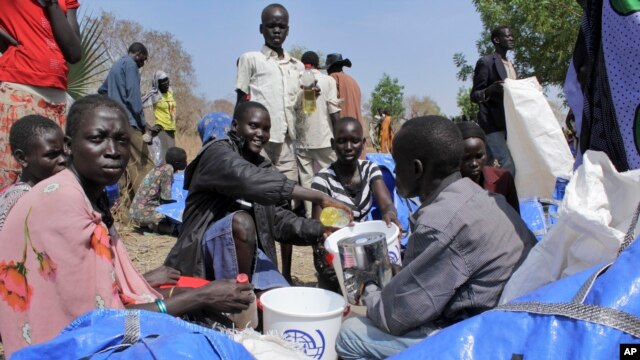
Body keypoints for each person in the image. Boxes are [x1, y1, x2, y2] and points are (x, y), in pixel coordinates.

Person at [0, 95, 254, 357]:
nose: (113, 150)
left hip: (88, 332)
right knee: (200, 347)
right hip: (64, 348)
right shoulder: (63, 203)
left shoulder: (84, 194)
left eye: (122, 140)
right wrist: (202, 297)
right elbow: (100, 323)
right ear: (69, 145)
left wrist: (192, 295)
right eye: (97, 138)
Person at [335, 116, 536, 359]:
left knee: (350, 334)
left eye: (398, 164)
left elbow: (395, 317)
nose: (395, 171)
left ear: (417, 169)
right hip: (514, 323)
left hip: (482, 339)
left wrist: (368, 286)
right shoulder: (481, 197)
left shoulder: (438, 221)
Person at [164, 101, 351, 291]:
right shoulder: (216, 153)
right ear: (235, 127)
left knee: (280, 301)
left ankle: (249, 295)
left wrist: (321, 228)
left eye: (266, 129)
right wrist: (318, 197)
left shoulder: (263, 167)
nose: (261, 134)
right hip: (201, 256)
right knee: (241, 222)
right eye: (253, 126)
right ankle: (240, 297)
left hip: (249, 255)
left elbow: (280, 221)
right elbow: (247, 179)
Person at [235, 3, 304, 282]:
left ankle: (284, 274)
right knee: (252, 206)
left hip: (287, 145)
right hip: (258, 144)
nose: (276, 30)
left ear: (288, 29)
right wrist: (238, 137)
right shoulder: (251, 59)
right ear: (261, 28)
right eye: (271, 25)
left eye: (282, 26)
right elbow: (241, 100)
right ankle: (252, 270)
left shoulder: (296, 66)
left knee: (284, 206)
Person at [311, 117, 399, 292]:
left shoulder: (370, 169)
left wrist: (390, 214)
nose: (349, 147)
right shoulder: (323, 179)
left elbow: (386, 202)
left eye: (355, 140)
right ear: (333, 144)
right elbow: (318, 228)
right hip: (335, 249)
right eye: (342, 141)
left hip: (364, 246)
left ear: (363, 143)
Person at [0, 0, 81, 188]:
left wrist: (51, 4)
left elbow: (74, 52)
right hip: (19, 91)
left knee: (51, 186)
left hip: (58, 101)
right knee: (11, 180)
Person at [98, 42, 153, 192]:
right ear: (138, 54)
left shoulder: (116, 65)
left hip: (114, 124)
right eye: (143, 59)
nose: (142, 64)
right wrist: (143, 124)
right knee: (144, 166)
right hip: (129, 123)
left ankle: (123, 208)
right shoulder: (130, 65)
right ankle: (147, 207)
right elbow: (133, 97)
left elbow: (102, 91)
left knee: (123, 167)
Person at [0, 115, 67, 231]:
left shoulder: (40, 191)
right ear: (22, 158)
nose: (63, 160)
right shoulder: (24, 199)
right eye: (52, 155)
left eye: (64, 153)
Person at [296, 51, 341, 218]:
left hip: (302, 142)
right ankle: (336, 216)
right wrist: (339, 137)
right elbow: (334, 111)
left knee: (307, 183)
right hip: (325, 139)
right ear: (317, 64)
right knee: (334, 178)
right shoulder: (328, 80)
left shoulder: (295, 78)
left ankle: (311, 218)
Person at [471, 25, 518, 176]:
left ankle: (480, 192)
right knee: (507, 161)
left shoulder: (510, 65)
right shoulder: (486, 62)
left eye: (512, 36)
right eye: (507, 36)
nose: (511, 38)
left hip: (509, 122)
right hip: (492, 123)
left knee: (486, 163)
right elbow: (475, 95)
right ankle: (508, 198)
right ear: (496, 40)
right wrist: (490, 90)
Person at [457, 121, 520, 213]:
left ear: (486, 153)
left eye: (479, 156)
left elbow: (515, 218)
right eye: (466, 158)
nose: (474, 163)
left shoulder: (503, 179)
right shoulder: (450, 187)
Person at [129, 147, 187, 234]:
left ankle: (149, 226)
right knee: (174, 218)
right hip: (142, 213)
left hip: (135, 211)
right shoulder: (168, 170)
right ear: (177, 163)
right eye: (184, 161)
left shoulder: (161, 168)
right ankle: (159, 228)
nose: (186, 163)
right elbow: (165, 198)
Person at [323, 53, 364, 151]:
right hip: (356, 129)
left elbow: (331, 108)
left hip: (343, 131)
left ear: (331, 67)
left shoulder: (332, 78)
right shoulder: (353, 81)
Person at [143, 71, 177, 166]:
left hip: (171, 130)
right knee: (162, 162)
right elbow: (137, 106)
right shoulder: (154, 94)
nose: (166, 83)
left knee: (172, 161)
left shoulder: (170, 91)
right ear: (157, 83)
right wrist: (148, 126)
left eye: (167, 80)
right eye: (162, 81)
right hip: (161, 130)